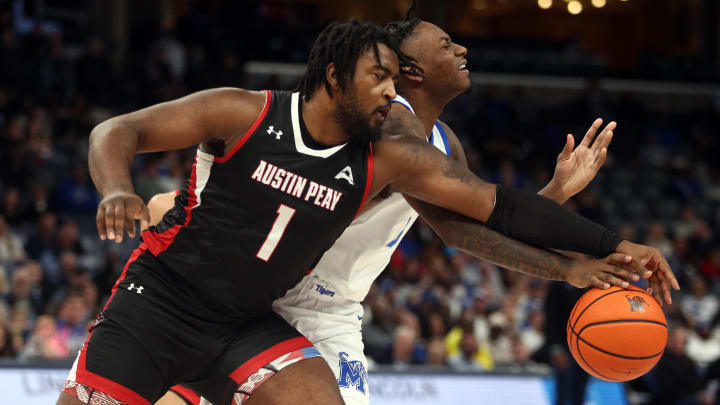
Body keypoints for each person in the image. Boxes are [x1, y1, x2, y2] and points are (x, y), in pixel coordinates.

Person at [60, 19, 676, 405]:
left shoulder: (405, 154)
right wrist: (119, 189)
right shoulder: (247, 111)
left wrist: (602, 243)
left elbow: (488, 211)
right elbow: (118, 130)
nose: (390, 93)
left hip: (260, 315)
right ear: (341, 75)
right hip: (189, 297)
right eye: (381, 78)